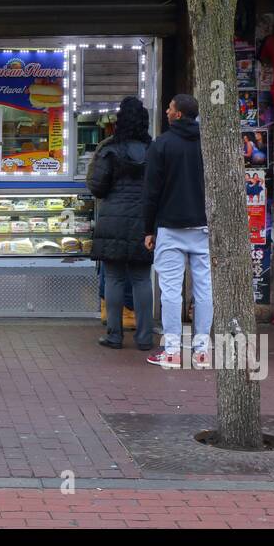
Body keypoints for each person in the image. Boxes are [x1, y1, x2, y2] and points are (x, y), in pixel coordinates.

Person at [143, 94, 212, 368]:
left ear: (178, 114)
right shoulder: (209, 144)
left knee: (170, 289)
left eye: (170, 108)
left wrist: (148, 228)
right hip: (204, 225)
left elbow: (151, 191)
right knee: (204, 287)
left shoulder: (161, 144)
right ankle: (201, 350)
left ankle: (171, 350)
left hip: (170, 226)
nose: (167, 111)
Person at [87, 96, 155, 351]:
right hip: (144, 220)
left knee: (114, 278)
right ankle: (145, 337)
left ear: (119, 121)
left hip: (112, 220)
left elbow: (97, 186)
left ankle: (114, 336)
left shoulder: (109, 149)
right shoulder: (154, 149)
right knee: (141, 279)